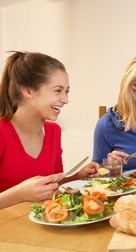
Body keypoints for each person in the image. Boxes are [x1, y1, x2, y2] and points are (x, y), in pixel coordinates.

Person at [0, 51, 100, 206]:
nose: (65, 100)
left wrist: (78, 176)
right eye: (57, 90)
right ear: (28, 91)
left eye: (66, 91)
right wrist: (20, 194)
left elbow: (53, 182)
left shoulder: (53, 131)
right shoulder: (2, 133)